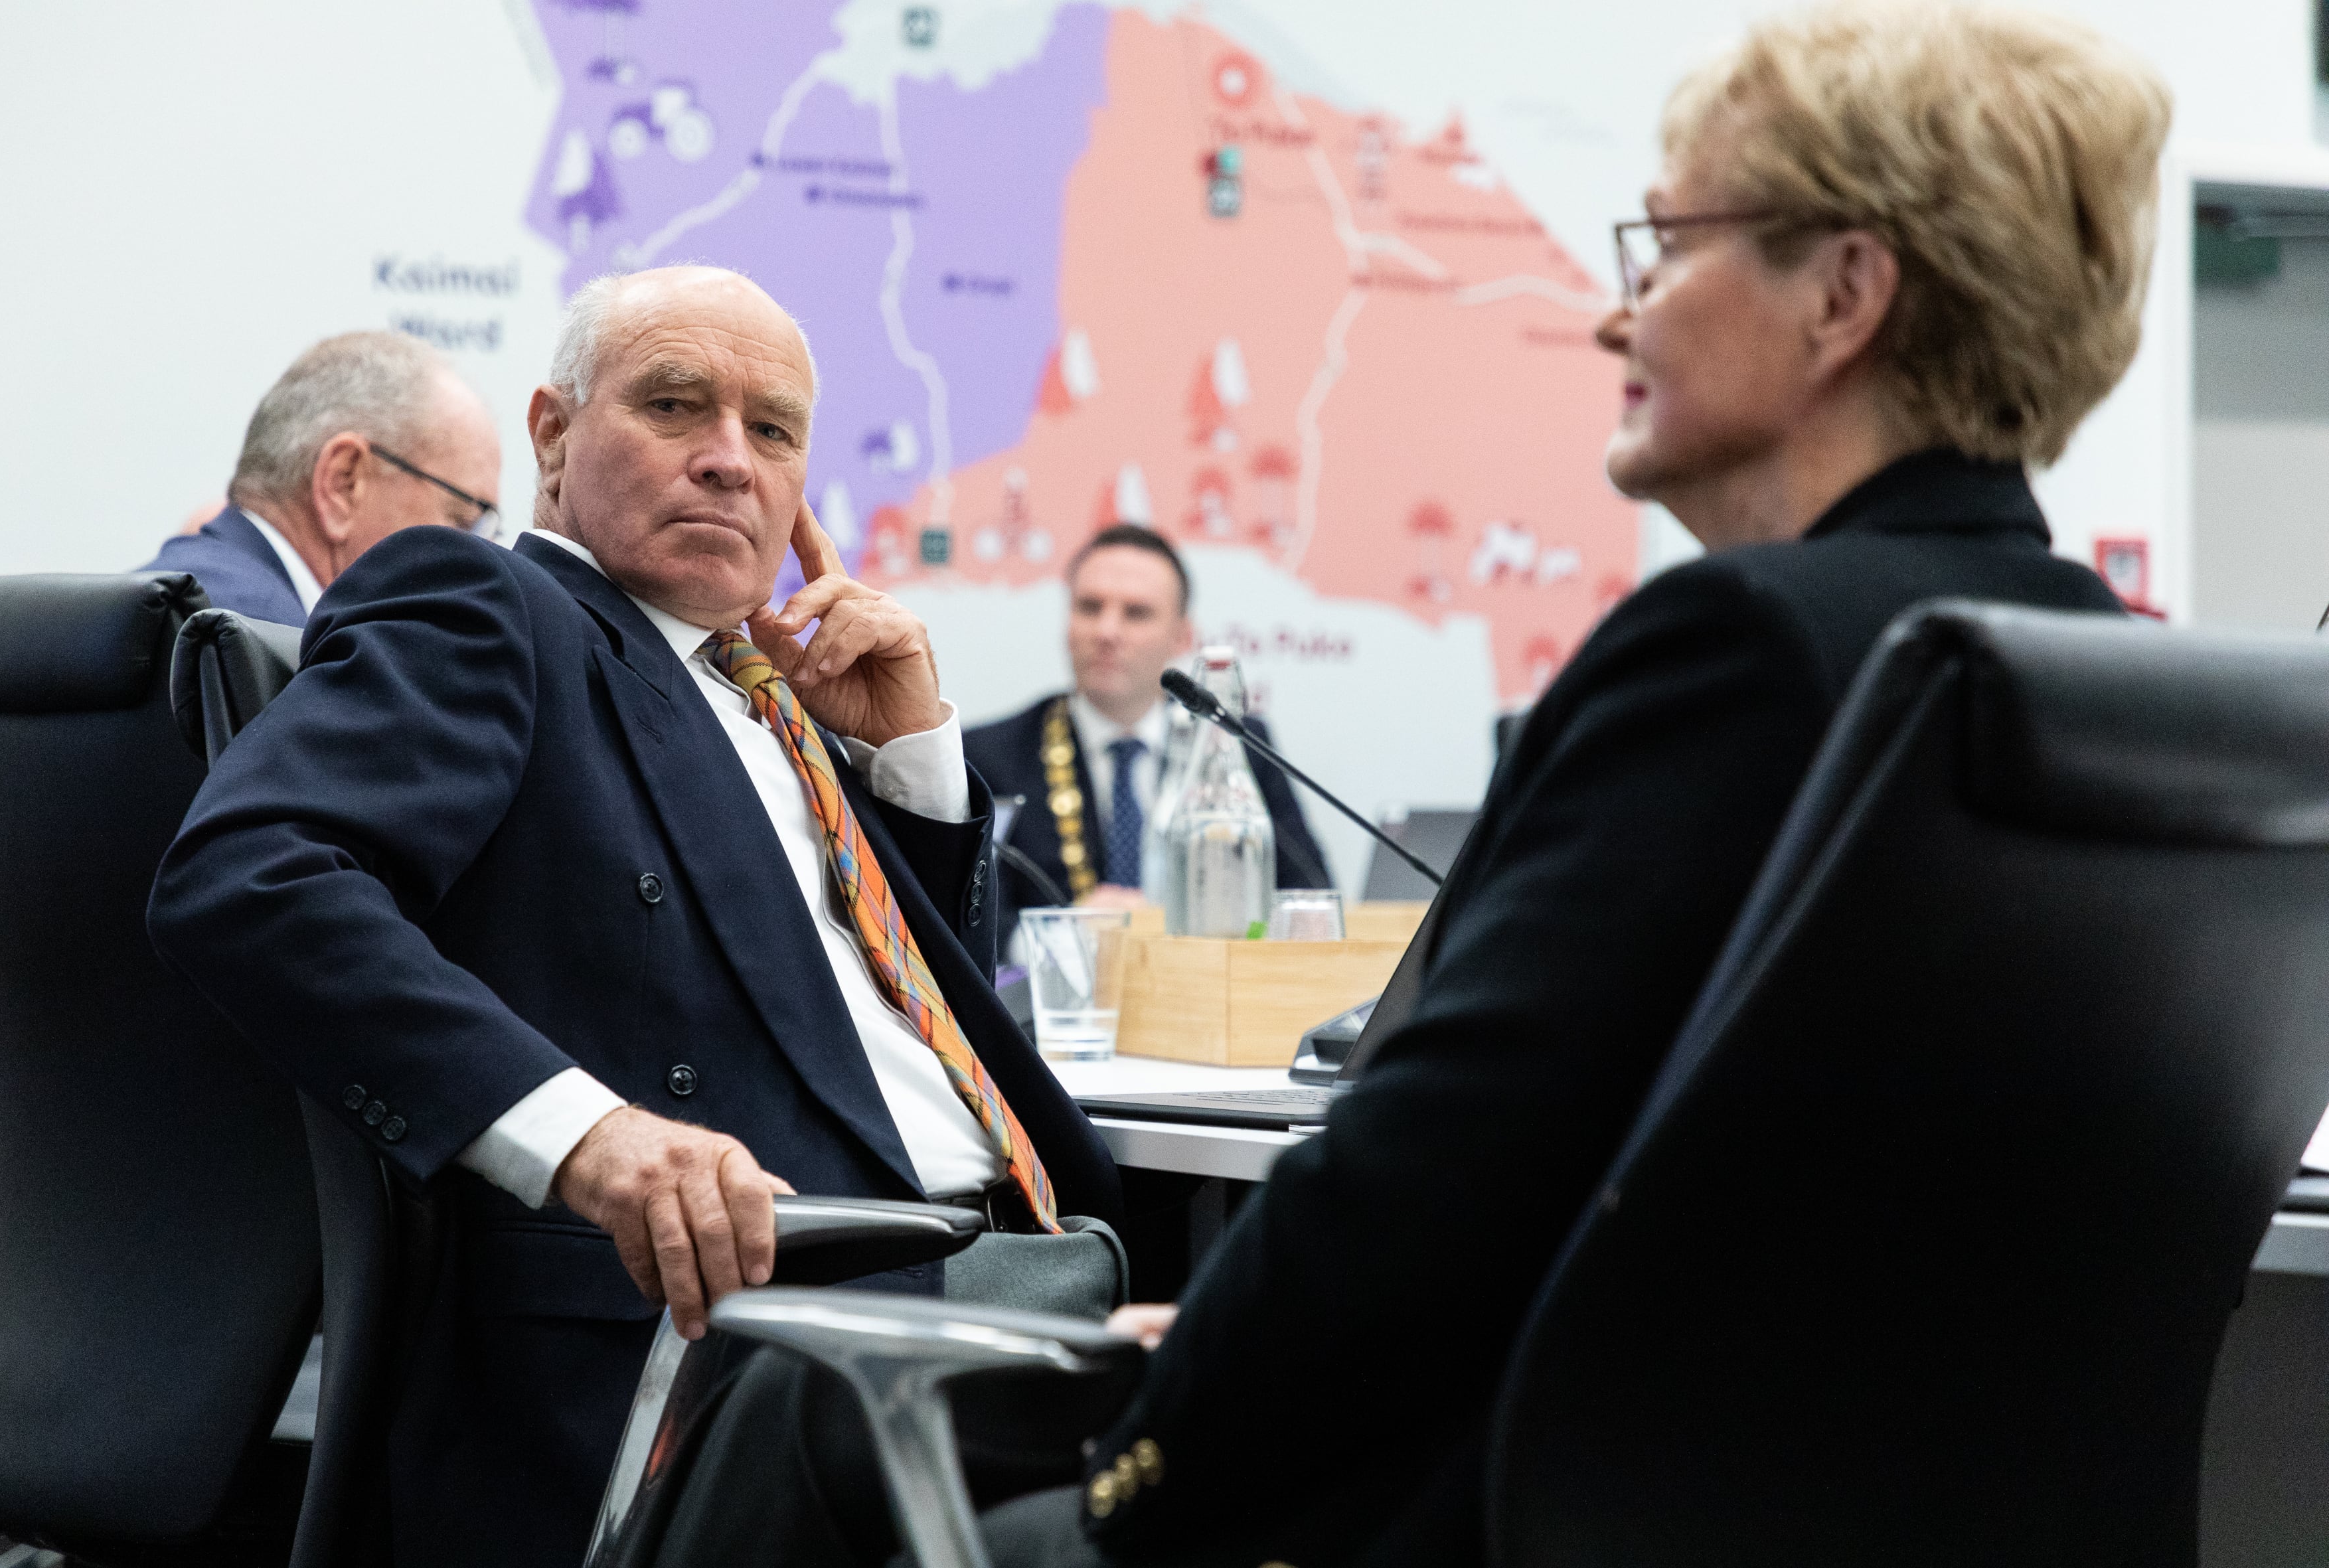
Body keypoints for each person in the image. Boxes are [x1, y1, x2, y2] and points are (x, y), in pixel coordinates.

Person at [665, 4, 2168, 1563]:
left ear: (1845, 294)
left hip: (1532, 1505)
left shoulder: (1744, 652)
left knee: (804, 1412)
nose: (1614, 317)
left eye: (1665, 246)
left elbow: (1425, 1189)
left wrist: (1142, 1464)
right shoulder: (2090, 670)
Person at [147, 266, 1121, 1568]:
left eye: (771, 431)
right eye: (675, 406)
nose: (728, 461)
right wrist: (593, 1137)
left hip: (996, 1267)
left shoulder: (768, 693)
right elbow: (250, 875)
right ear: (551, 434)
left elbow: (850, 1027)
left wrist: (912, 766)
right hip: (755, 1343)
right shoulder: (489, 603)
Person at [964, 524, 1330, 944]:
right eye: (1089, 607)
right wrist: (1063, 932)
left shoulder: (1233, 742)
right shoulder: (991, 755)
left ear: (1182, 636)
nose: (1106, 632)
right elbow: (967, 924)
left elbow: (1309, 896)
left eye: (1136, 613)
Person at [139, 331, 503, 625]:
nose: (482, 562)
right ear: (343, 483)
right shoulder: (268, 656)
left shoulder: (139, 605)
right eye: (465, 520)